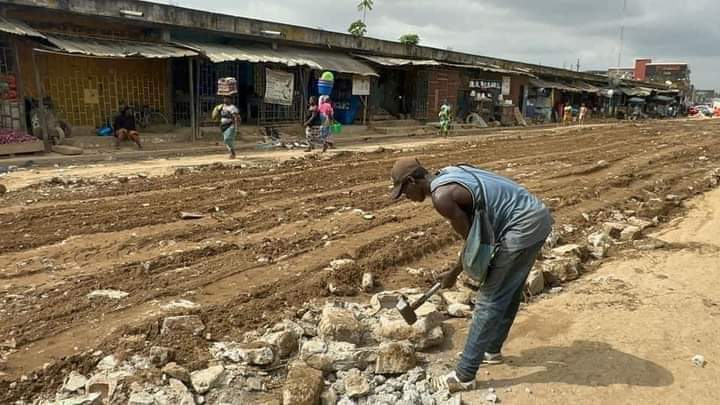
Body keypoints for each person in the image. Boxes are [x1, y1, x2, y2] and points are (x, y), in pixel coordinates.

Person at [389, 158, 553, 393]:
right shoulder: (448, 172)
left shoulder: (441, 198)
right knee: (510, 289)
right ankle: (491, 350)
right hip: (536, 216)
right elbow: (478, 237)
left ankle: (464, 375)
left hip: (522, 227)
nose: (405, 196)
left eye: (404, 191)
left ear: (412, 180)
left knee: (489, 300)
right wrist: (457, 270)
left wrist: (454, 274)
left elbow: (476, 246)